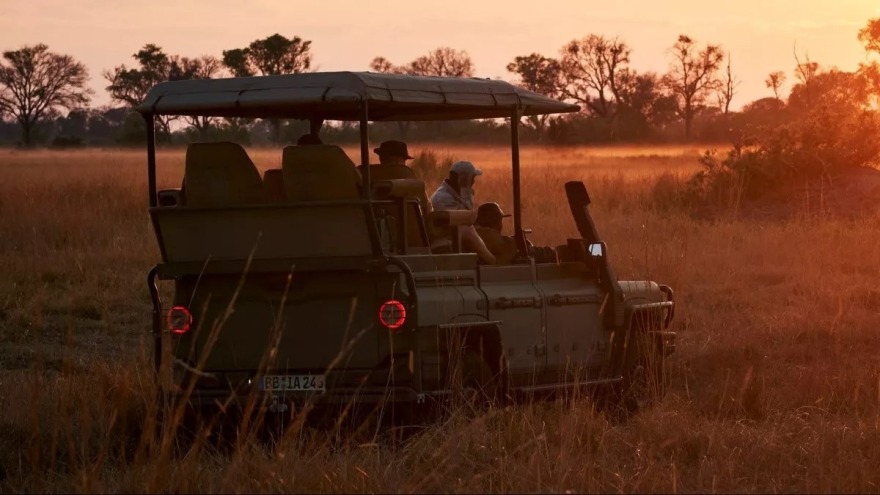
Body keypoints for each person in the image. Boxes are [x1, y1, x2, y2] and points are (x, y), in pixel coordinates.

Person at [429, 161, 496, 264]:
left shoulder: (454, 193)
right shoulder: (442, 198)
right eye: (472, 178)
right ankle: (492, 261)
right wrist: (466, 191)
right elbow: (463, 221)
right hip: (445, 238)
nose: (473, 182)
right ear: (463, 179)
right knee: (467, 229)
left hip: (452, 235)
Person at [358, 140, 431, 214]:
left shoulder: (363, 175)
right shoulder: (410, 181)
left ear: (382, 158)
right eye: (405, 159)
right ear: (399, 159)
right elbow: (427, 209)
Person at [474, 202, 558, 264]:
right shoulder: (491, 237)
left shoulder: (477, 234)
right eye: (500, 220)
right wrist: (515, 243)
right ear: (497, 221)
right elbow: (506, 253)